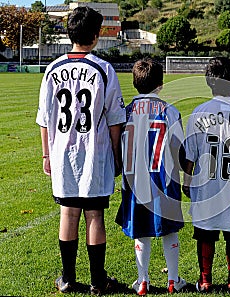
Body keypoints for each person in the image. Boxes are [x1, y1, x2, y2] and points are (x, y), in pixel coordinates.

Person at [36, 6, 126, 295]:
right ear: (97, 35)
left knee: (68, 213)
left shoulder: (52, 69)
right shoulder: (104, 69)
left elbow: (44, 118)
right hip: (94, 152)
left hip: (62, 152)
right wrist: (116, 156)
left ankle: (68, 278)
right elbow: (115, 120)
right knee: (95, 215)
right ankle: (98, 282)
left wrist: (46, 154)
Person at [183, 57, 230, 293]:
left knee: (205, 231)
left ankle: (205, 280)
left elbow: (190, 154)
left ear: (209, 82)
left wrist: (187, 181)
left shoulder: (198, 113)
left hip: (206, 184)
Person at [116, 58, 186, 296]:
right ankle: (173, 280)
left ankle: (142, 279)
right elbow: (178, 148)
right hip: (164, 179)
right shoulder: (170, 110)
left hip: (134, 181)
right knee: (169, 230)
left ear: (135, 82)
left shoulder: (125, 112)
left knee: (141, 230)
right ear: (161, 83)